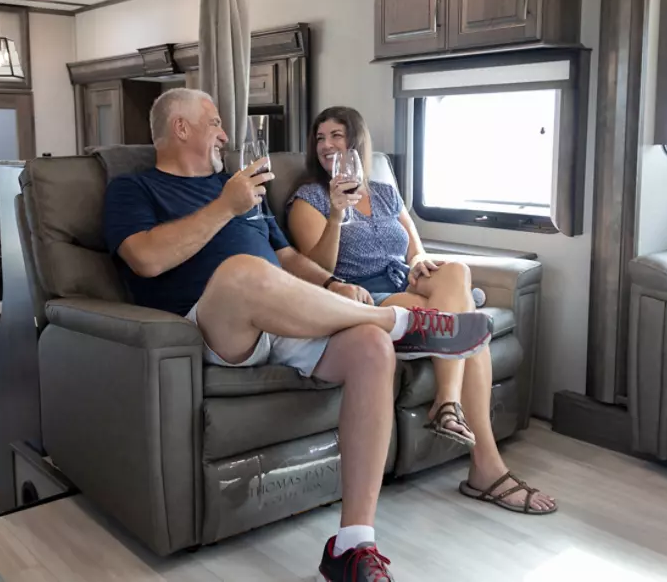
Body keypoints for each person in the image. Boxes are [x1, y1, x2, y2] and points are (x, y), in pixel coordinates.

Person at [103, 88, 493, 582]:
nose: (225, 134)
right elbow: (146, 258)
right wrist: (226, 206)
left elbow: (287, 260)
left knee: (371, 350)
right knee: (243, 270)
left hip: (286, 318)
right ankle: (404, 323)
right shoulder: (136, 189)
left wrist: (334, 285)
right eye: (216, 123)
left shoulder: (243, 190)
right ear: (181, 128)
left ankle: (352, 545)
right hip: (210, 326)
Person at [287, 106, 557, 516]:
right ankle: (485, 466)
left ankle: (447, 402)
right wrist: (338, 214)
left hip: (404, 280)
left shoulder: (384, 192)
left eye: (336, 136)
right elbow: (318, 270)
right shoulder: (309, 199)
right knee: (471, 327)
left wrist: (417, 264)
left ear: (356, 142)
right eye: (320, 138)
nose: (326, 145)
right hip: (366, 296)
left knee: (458, 271)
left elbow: (417, 250)